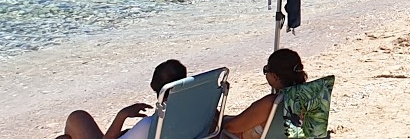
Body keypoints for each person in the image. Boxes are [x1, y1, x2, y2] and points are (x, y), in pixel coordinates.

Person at [57, 59, 187, 139]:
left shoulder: (150, 125)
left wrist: (122, 115)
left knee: (77, 117)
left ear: (153, 85)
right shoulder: (197, 113)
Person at [219, 48, 308, 139]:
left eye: (266, 70)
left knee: (215, 126)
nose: (265, 73)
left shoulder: (273, 103)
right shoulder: (312, 94)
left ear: (275, 77)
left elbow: (231, 127)